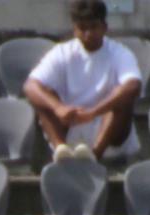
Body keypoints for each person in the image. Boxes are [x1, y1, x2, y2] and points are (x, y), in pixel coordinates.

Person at [23, 1, 141, 162]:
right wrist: (59, 108)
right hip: (71, 121)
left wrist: (93, 112)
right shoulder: (62, 52)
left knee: (121, 98)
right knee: (44, 96)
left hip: (109, 128)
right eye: (82, 28)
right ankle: (61, 150)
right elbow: (31, 86)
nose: (88, 34)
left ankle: (95, 154)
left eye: (93, 27)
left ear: (104, 27)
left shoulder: (119, 52)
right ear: (74, 29)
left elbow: (133, 85)